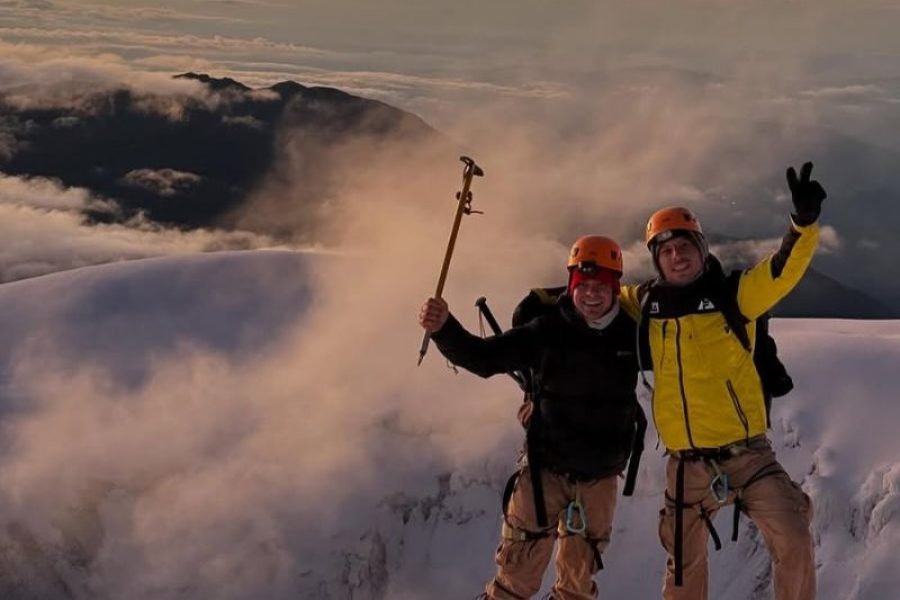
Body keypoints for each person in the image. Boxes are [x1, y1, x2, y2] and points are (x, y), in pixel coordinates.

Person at [619, 162, 826, 600]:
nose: (677, 255)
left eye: (685, 246)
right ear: (656, 259)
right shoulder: (649, 305)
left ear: (701, 247)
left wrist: (802, 225)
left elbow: (782, 271)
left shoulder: (735, 296)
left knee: (793, 536)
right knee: (682, 563)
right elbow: (601, 293)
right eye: (666, 250)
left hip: (748, 455)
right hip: (686, 464)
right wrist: (558, 293)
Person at [419, 235, 643, 600]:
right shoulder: (548, 330)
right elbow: (484, 358)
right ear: (571, 285)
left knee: (577, 587)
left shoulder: (633, 335)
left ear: (615, 288)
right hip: (545, 471)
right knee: (514, 582)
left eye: (600, 286)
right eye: (582, 285)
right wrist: (444, 328)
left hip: (599, 477)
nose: (590, 294)